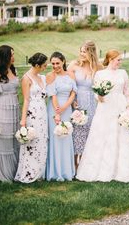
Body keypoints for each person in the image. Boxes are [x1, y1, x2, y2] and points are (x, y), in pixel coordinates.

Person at [76, 49, 129, 182]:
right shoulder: (100, 74)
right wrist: (99, 96)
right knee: (103, 135)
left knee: (122, 136)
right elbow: (96, 93)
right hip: (105, 107)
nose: (120, 62)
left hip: (120, 106)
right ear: (111, 59)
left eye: (120, 60)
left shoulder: (123, 73)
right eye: (118, 60)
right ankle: (101, 169)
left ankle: (121, 170)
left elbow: (127, 92)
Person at [68, 41, 102, 172]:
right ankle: (74, 162)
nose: (81, 54)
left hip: (92, 103)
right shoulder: (74, 65)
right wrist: (72, 101)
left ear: (91, 53)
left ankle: (85, 162)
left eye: (84, 51)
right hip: (77, 101)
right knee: (77, 131)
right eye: (81, 51)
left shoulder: (98, 67)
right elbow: (70, 85)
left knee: (90, 131)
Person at [15, 53, 48, 183]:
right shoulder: (26, 78)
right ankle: (29, 172)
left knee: (41, 141)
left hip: (42, 113)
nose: (46, 67)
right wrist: (23, 120)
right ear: (37, 65)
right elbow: (26, 100)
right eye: (44, 65)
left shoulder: (42, 77)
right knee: (32, 141)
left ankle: (39, 172)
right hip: (32, 113)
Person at [46, 52, 77, 181]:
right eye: (52, 63)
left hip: (67, 108)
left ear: (63, 62)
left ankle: (66, 171)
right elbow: (52, 95)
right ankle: (55, 171)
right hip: (54, 108)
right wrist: (58, 112)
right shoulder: (50, 76)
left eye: (57, 63)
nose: (55, 66)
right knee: (56, 137)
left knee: (66, 137)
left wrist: (66, 107)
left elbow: (73, 93)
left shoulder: (70, 74)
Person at [0, 45, 20, 181]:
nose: (13, 57)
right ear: (5, 56)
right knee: (5, 139)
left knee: (14, 139)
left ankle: (15, 171)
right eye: (11, 55)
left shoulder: (13, 70)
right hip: (2, 108)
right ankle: (4, 173)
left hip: (15, 107)